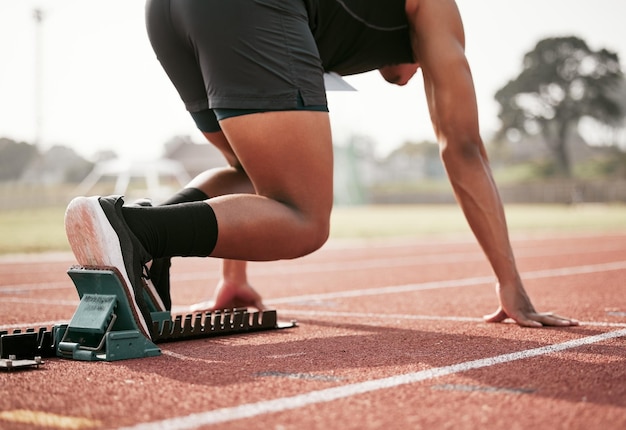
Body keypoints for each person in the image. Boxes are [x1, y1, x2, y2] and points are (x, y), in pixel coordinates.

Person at [64, 0, 578, 339]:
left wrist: (234, 279)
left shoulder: (344, 21)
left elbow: (252, 173)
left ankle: (141, 248)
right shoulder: (437, 9)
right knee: (305, 218)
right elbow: (462, 147)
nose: (417, 71)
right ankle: (136, 229)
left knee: (254, 169)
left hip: (169, 13)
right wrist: (511, 283)